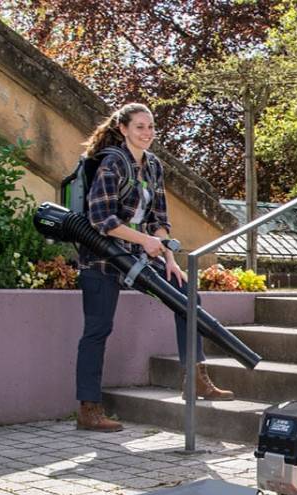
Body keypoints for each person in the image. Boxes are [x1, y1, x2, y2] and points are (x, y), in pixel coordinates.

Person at [74, 103, 234, 433]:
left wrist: (170, 258)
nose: (147, 133)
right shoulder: (111, 163)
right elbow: (102, 219)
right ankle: (89, 409)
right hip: (102, 258)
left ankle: (195, 379)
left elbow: (159, 219)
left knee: (186, 296)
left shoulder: (154, 166)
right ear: (123, 129)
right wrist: (144, 240)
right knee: (97, 330)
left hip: (140, 256)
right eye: (139, 127)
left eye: (150, 127)